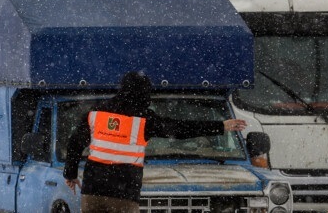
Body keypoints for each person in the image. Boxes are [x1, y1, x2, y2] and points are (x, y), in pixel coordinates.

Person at [63, 71, 247, 213]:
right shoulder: (144, 120)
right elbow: (180, 129)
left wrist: (70, 174)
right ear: (144, 93)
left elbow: (75, 144)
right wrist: (220, 126)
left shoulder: (95, 113)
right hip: (123, 194)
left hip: (92, 191)